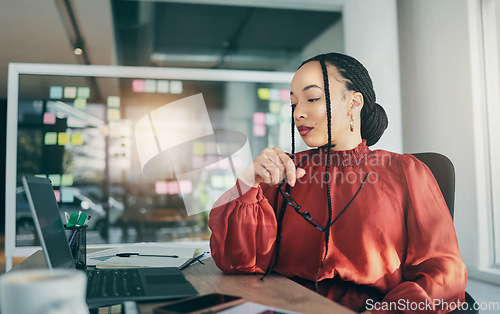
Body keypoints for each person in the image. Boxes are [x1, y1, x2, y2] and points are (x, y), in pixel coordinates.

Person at [208, 52, 467, 313]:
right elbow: (237, 262)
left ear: (354, 103)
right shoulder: (284, 171)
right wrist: (248, 184)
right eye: (294, 104)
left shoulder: (406, 172)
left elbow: (443, 274)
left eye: (312, 98)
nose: (299, 113)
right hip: (285, 304)